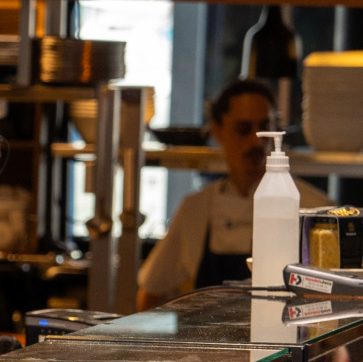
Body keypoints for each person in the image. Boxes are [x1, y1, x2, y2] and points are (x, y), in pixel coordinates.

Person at [136, 77, 326, 308]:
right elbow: (151, 291)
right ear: (217, 130)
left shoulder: (313, 207)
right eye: (243, 129)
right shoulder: (195, 209)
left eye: (264, 127)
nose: (256, 142)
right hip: (210, 342)